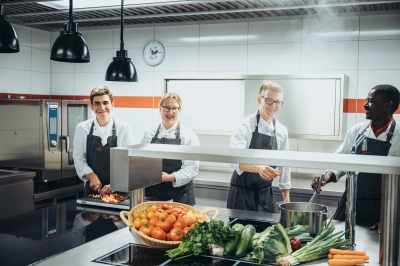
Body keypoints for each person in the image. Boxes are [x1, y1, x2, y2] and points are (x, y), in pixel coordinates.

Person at [311, 84, 400, 226]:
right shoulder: (357, 130)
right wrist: (328, 176)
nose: (365, 105)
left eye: (370, 101)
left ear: (388, 105)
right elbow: (340, 162)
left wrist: (390, 220)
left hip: (383, 209)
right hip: (350, 202)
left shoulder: (398, 135)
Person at [227, 80, 291, 213]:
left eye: (277, 102)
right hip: (241, 193)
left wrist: (286, 199)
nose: (273, 106)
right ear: (259, 99)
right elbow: (234, 160)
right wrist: (259, 168)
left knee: (264, 233)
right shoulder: (244, 125)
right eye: (268, 100)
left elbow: (285, 164)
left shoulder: (281, 130)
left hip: (265, 195)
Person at [139, 92, 200, 205]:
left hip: (180, 196)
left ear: (179, 110)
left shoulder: (188, 136)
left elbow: (192, 168)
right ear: (160, 109)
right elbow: (140, 162)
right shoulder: (149, 133)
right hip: (153, 195)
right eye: (166, 108)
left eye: (174, 109)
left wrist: (171, 177)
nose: (170, 112)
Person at [73, 86, 134, 197]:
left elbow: (129, 161)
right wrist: (91, 176)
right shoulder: (82, 128)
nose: (102, 107)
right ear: (91, 106)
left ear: (112, 105)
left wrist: (115, 184)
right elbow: (78, 158)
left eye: (106, 103)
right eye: (97, 103)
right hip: (93, 190)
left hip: (119, 190)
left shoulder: (124, 127)